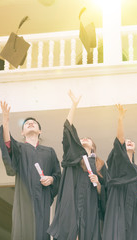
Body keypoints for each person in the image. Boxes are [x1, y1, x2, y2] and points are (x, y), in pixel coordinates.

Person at [47, 90, 109, 240]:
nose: (85, 139)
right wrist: (73, 106)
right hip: (71, 202)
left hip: (90, 206)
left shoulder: (100, 164)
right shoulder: (73, 158)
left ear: (93, 147)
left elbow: (107, 190)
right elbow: (67, 132)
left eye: (88, 139)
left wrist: (98, 185)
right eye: (82, 138)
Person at [0, 101, 61, 240]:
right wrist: (5, 121)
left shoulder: (49, 152)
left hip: (42, 200)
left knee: (40, 231)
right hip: (24, 199)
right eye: (26, 123)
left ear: (40, 131)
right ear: (22, 132)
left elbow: (58, 175)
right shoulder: (19, 149)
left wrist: (51, 179)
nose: (30, 123)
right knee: (23, 230)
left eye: (34, 123)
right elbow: (8, 145)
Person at [102, 104, 137, 240]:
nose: (129, 142)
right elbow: (119, 140)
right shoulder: (117, 162)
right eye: (126, 141)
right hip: (117, 204)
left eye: (132, 142)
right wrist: (120, 119)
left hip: (134, 207)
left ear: (135, 150)